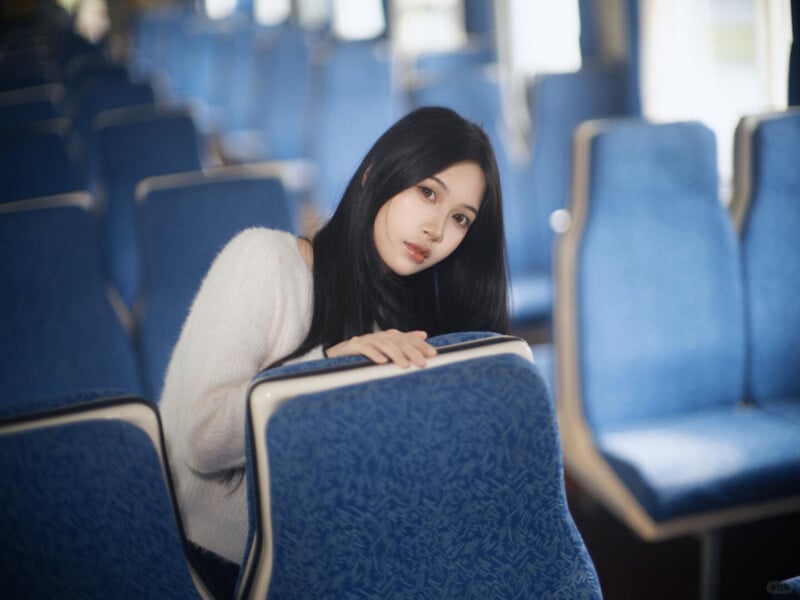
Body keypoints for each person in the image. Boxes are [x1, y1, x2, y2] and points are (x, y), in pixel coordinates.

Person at [159, 106, 509, 597]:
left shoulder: (404, 326)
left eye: (460, 219)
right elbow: (201, 440)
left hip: (338, 565)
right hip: (222, 567)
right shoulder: (264, 260)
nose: (436, 229)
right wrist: (328, 372)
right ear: (373, 175)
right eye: (427, 193)